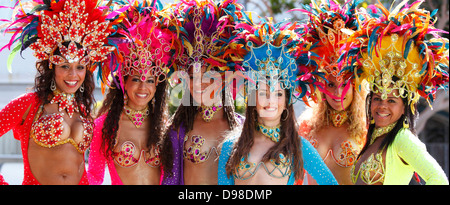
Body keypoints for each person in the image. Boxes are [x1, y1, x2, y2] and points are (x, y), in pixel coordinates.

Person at [0, 0, 124, 185]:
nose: (73, 75)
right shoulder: (28, 104)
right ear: (52, 67)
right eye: (65, 66)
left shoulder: (83, 109)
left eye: (80, 67)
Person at [217, 16, 338, 185]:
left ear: (287, 102)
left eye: (279, 94)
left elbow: (330, 182)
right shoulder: (230, 146)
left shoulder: (298, 147)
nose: (271, 101)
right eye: (263, 93)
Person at [342, 0, 449, 185]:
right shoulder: (374, 136)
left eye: (392, 100)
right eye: (377, 98)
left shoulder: (403, 139)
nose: (382, 105)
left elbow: (438, 179)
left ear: (404, 107)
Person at [87, 0, 178, 185]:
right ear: (123, 82)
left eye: (150, 81)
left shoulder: (165, 126)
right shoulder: (104, 126)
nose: (143, 87)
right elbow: (94, 176)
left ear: (157, 86)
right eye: (136, 79)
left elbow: (173, 178)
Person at [160, 0, 244, 185]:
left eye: (208, 76)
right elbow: (170, 181)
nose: (198, 84)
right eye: (191, 77)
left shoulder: (243, 128)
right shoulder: (178, 129)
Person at [293, 0, 367, 184]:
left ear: (356, 85)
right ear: (321, 86)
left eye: (345, 84)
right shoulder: (305, 126)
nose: (338, 92)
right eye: (331, 84)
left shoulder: (368, 128)